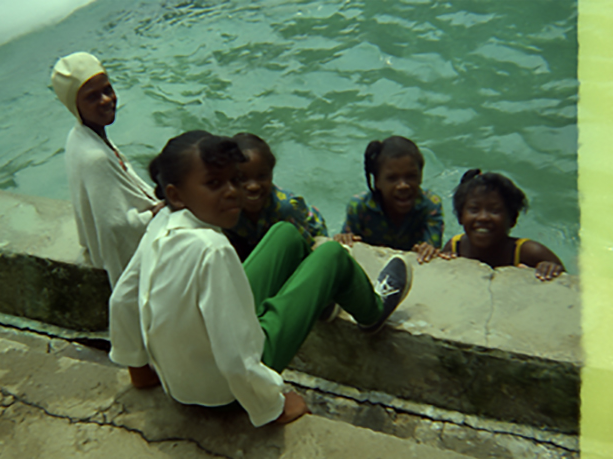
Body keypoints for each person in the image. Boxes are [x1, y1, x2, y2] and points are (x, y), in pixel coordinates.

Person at [108, 131, 413, 427]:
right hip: (221, 392)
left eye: (234, 180)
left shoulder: (161, 223)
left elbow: (123, 297)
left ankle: (319, 296)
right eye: (214, 183)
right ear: (177, 194)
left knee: (286, 234)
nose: (231, 191)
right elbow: (234, 355)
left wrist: (138, 368)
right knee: (332, 253)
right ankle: (372, 310)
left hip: (177, 383)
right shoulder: (213, 250)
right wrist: (272, 405)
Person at [51, 51, 163, 288]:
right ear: (74, 105)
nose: (106, 100)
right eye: (92, 97)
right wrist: (155, 213)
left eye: (107, 89)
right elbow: (115, 229)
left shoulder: (79, 136)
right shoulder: (95, 158)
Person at [440, 169, 564, 281]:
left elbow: (570, 284)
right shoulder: (455, 246)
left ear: (512, 219)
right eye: (474, 209)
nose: (483, 217)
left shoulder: (530, 253)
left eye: (494, 210)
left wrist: (550, 268)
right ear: (460, 216)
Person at [335, 136, 444, 263]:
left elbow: (432, 250)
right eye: (392, 178)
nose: (403, 185)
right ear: (377, 182)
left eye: (411, 176)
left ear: (420, 176)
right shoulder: (359, 207)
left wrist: (428, 249)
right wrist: (344, 239)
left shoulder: (430, 206)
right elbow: (347, 248)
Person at [223, 133, 328, 261]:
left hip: (306, 231)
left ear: (271, 174)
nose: (253, 186)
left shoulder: (285, 208)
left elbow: (306, 247)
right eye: (242, 178)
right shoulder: (226, 208)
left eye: (262, 176)